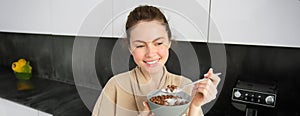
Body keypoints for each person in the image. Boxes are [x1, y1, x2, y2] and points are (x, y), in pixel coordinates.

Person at [92, 5, 220, 116]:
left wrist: (195, 106)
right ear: (130, 48)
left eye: (158, 43)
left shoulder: (185, 87)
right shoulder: (115, 87)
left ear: (169, 41)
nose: (151, 53)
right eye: (140, 45)